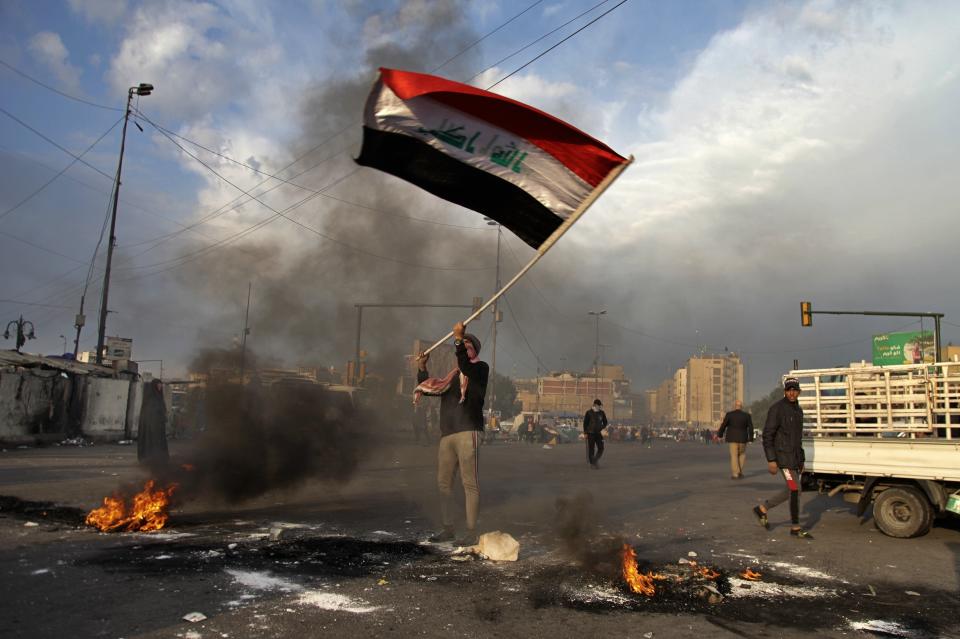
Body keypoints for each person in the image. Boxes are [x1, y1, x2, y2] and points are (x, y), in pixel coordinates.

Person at [415, 322, 489, 546]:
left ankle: (471, 531)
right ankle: (448, 528)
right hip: (448, 434)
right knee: (443, 483)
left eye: (468, 345)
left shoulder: (479, 369)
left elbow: (465, 365)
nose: (464, 348)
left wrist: (458, 339)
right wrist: (422, 367)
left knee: (470, 483)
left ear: (474, 350)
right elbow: (429, 387)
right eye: (462, 345)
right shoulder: (451, 379)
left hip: (469, 431)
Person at [752, 377, 812, 538]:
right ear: (785, 391)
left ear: (798, 392)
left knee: (792, 489)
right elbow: (768, 435)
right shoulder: (777, 409)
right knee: (794, 489)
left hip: (794, 459)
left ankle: (762, 509)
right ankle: (795, 527)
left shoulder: (798, 411)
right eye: (789, 390)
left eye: (794, 390)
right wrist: (771, 459)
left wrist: (801, 460)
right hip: (782, 458)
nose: (792, 393)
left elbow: (797, 439)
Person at [718, 400, 754, 479]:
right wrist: (751, 438)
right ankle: (740, 472)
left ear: (735, 406)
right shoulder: (747, 415)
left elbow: (723, 425)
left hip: (732, 438)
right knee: (742, 454)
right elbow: (751, 427)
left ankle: (735, 473)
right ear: (741, 407)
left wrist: (720, 434)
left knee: (734, 455)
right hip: (743, 438)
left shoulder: (729, 415)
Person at [137, 379, 169, 465]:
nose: (160, 386)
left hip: (159, 425)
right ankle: (150, 458)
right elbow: (150, 412)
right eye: (158, 384)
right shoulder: (150, 398)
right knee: (151, 442)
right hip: (151, 426)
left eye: (161, 384)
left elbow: (162, 409)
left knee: (159, 442)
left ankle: (160, 458)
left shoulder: (159, 397)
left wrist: (163, 417)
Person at [582, 399, 608, 469]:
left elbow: (605, 422)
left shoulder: (602, 413)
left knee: (601, 448)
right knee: (591, 449)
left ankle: (595, 460)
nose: (600, 407)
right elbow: (585, 423)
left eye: (600, 406)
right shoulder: (588, 412)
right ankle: (592, 464)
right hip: (590, 433)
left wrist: (601, 427)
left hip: (598, 433)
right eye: (599, 405)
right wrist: (585, 433)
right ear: (595, 405)